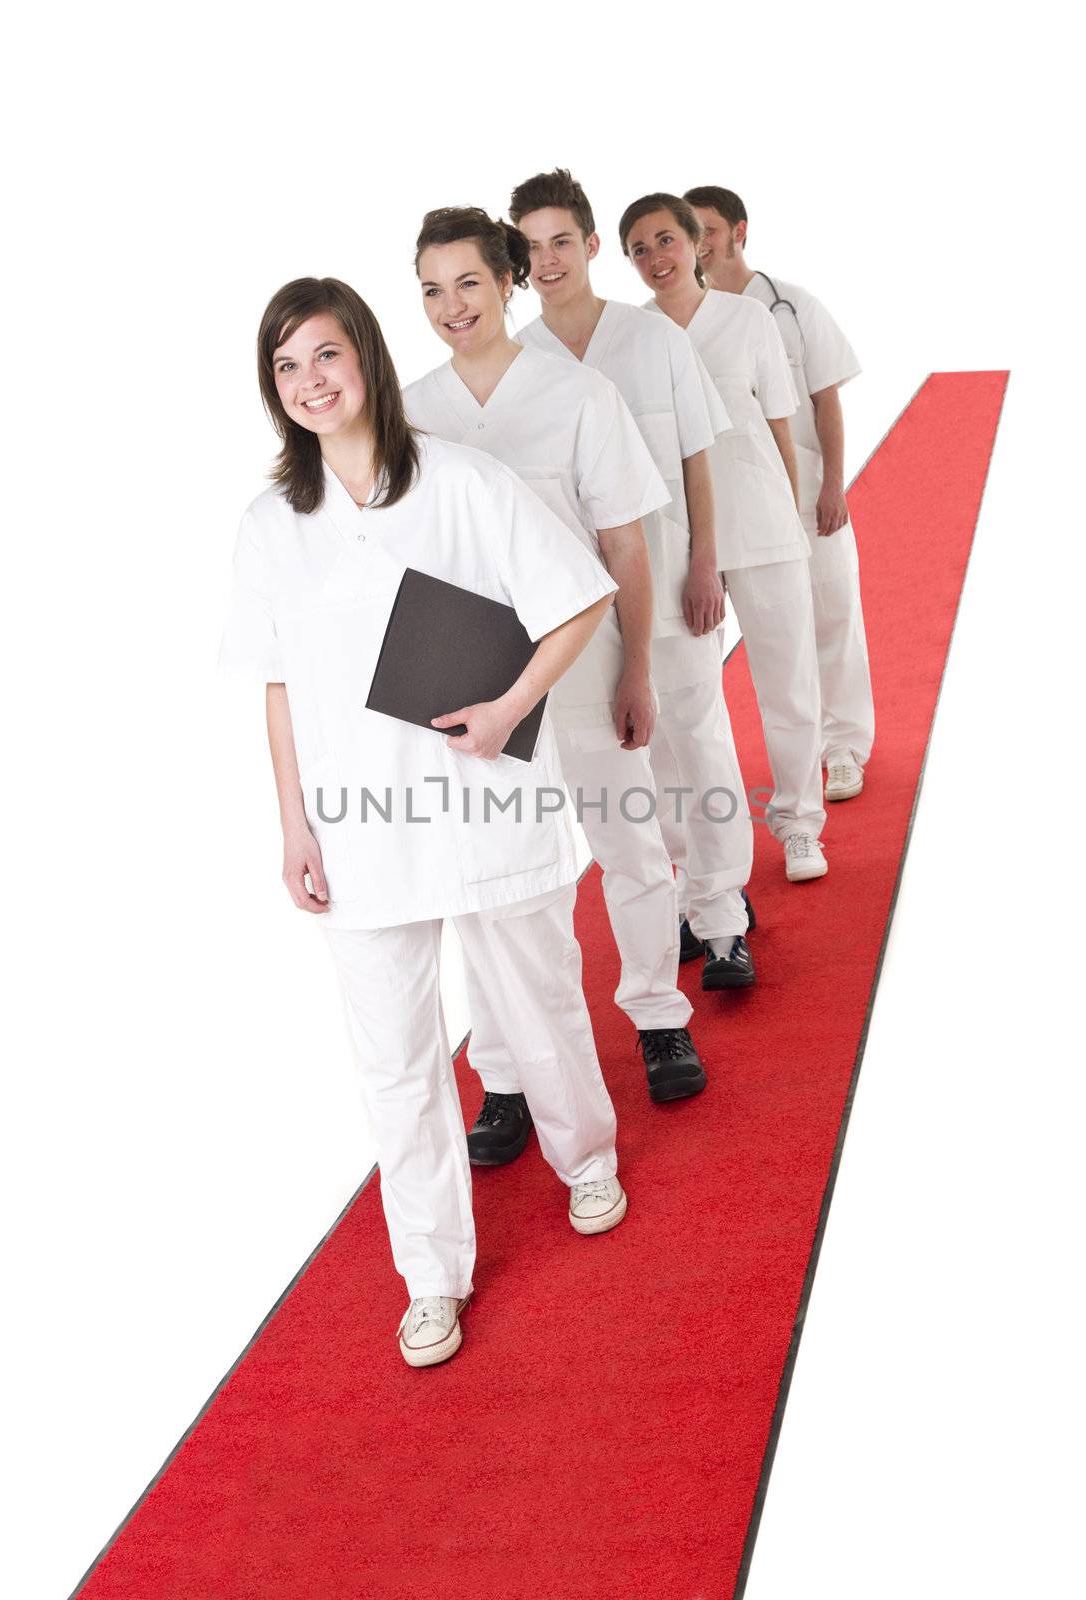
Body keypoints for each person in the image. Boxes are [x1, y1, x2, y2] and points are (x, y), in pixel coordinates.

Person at [218, 277, 629, 1369]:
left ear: (367, 359)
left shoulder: (459, 480)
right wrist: (295, 826)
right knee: (394, 1062)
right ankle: (431, 1275)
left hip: (483, 800)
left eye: (326, 356)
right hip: (358, 831)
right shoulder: (273, 525)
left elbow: (577, 597)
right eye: (286, 367)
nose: (310, 382)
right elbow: (274, 687)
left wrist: (506, 708)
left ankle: (586, 1158)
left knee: (536, 1001)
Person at [404, 206, 710, 1163]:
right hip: (467, 677)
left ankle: (658, 1013)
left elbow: (625, 542)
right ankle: (504, 1074)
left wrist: (641, 668)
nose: (451, 305)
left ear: (508, 282)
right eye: (430, 289)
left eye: (468, 283)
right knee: (489, 886)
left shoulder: (578, 396)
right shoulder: (411, 409)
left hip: (577, 661)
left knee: (626, 843)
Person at [508, 167, 757, 991]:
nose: (547, 260)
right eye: (530, 247)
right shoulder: (517, 365)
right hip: (576, 607)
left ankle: (723, 917)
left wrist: (705, 561)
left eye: (559, 243)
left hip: (671, 572)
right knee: (633, 761)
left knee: (698, 739)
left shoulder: (654, 341)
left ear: (587, 247)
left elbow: (697, 457)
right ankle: (681, 898)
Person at [620, 193, 829, 885]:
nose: (655, 257)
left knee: (787, 684)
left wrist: (793, 516)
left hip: (764, 523)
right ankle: (699, 856)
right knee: (687, 704)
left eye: (665, 240)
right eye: (639, 248)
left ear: (695, 243)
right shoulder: (630, 337)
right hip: (680, 544)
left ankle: (798, 824)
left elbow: (777, 424)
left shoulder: (748, 321)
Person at [684, 184, 873, 801]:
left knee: (831, 612)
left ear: (740, 231)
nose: (700, 241)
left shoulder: (792, 305)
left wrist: (834, 487)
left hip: (807, 480)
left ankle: (843, 746)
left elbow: (825, 399)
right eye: (691, 230)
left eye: (709, 228)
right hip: (722, 495)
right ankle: (777, 761)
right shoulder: (674, 316)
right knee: (748, 642)